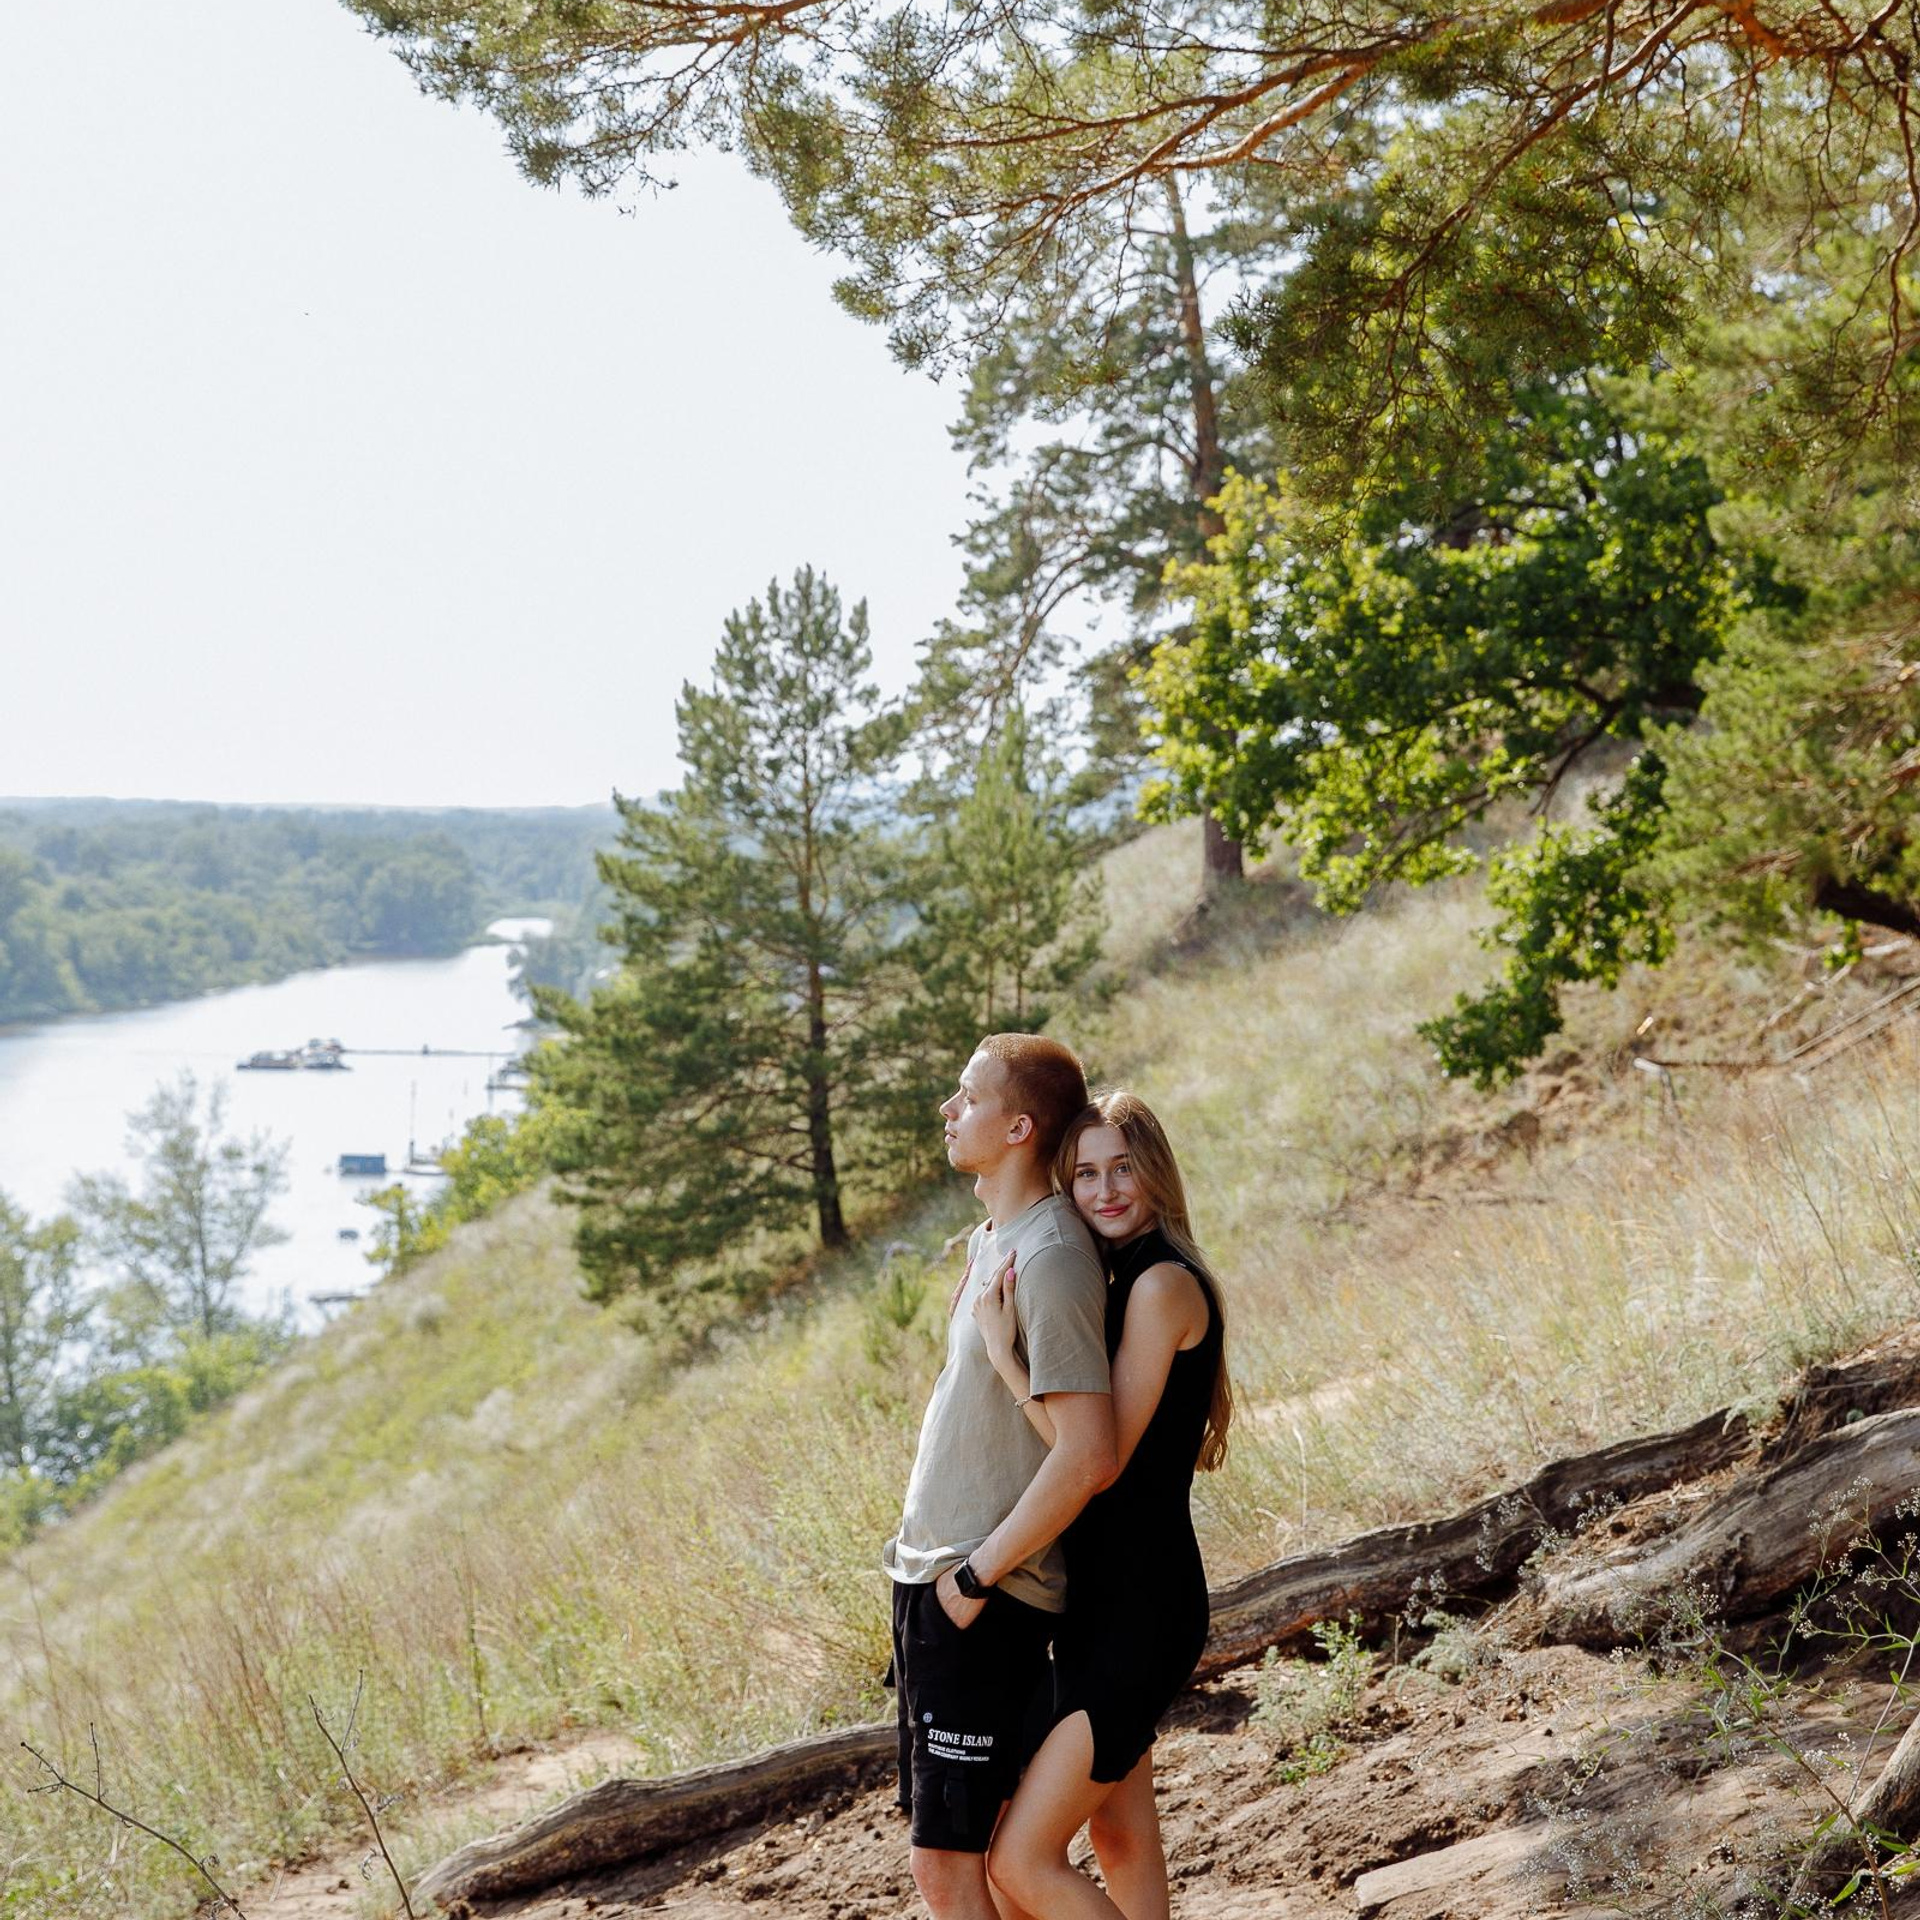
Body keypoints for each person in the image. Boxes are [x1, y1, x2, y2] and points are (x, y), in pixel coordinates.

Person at [973, 1089, 1232, 1920]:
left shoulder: (1160, 1287)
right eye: (1084, 1174)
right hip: (1098, 1606)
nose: (1106, 1189)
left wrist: (1008, 1366)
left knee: (1017, 1861)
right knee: (1121, 1838)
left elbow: (1100, 1460)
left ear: (1156, 1172)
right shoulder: (1119, 1277)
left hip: (1141, 1613)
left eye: (1124, 1167)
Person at [883, 1033, 1118, 1920]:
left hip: (984, 1591)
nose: (949, 1110)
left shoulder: (1050, 1256)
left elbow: (1087, 1452)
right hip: (938, 1583)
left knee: (946, 1869)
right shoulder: (995, 1236)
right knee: (978, 1855)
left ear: (1019, 1126)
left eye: (966, 1096)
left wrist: (974, 1580)